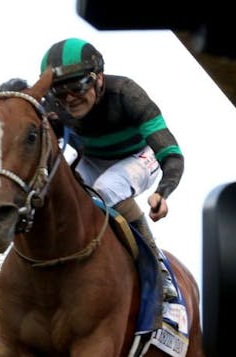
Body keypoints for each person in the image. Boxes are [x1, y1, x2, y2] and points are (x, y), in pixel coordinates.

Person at [40, 38, 182, 302]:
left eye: (77, 85)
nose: (69, 98)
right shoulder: (53, 106)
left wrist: (163, 192)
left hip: (139, 157)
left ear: (99, 78)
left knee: (104, 190)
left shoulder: (128, 94)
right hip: (92, 158)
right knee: (61, 196)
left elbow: (171, 154)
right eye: (59, 92)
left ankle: (158, 268)